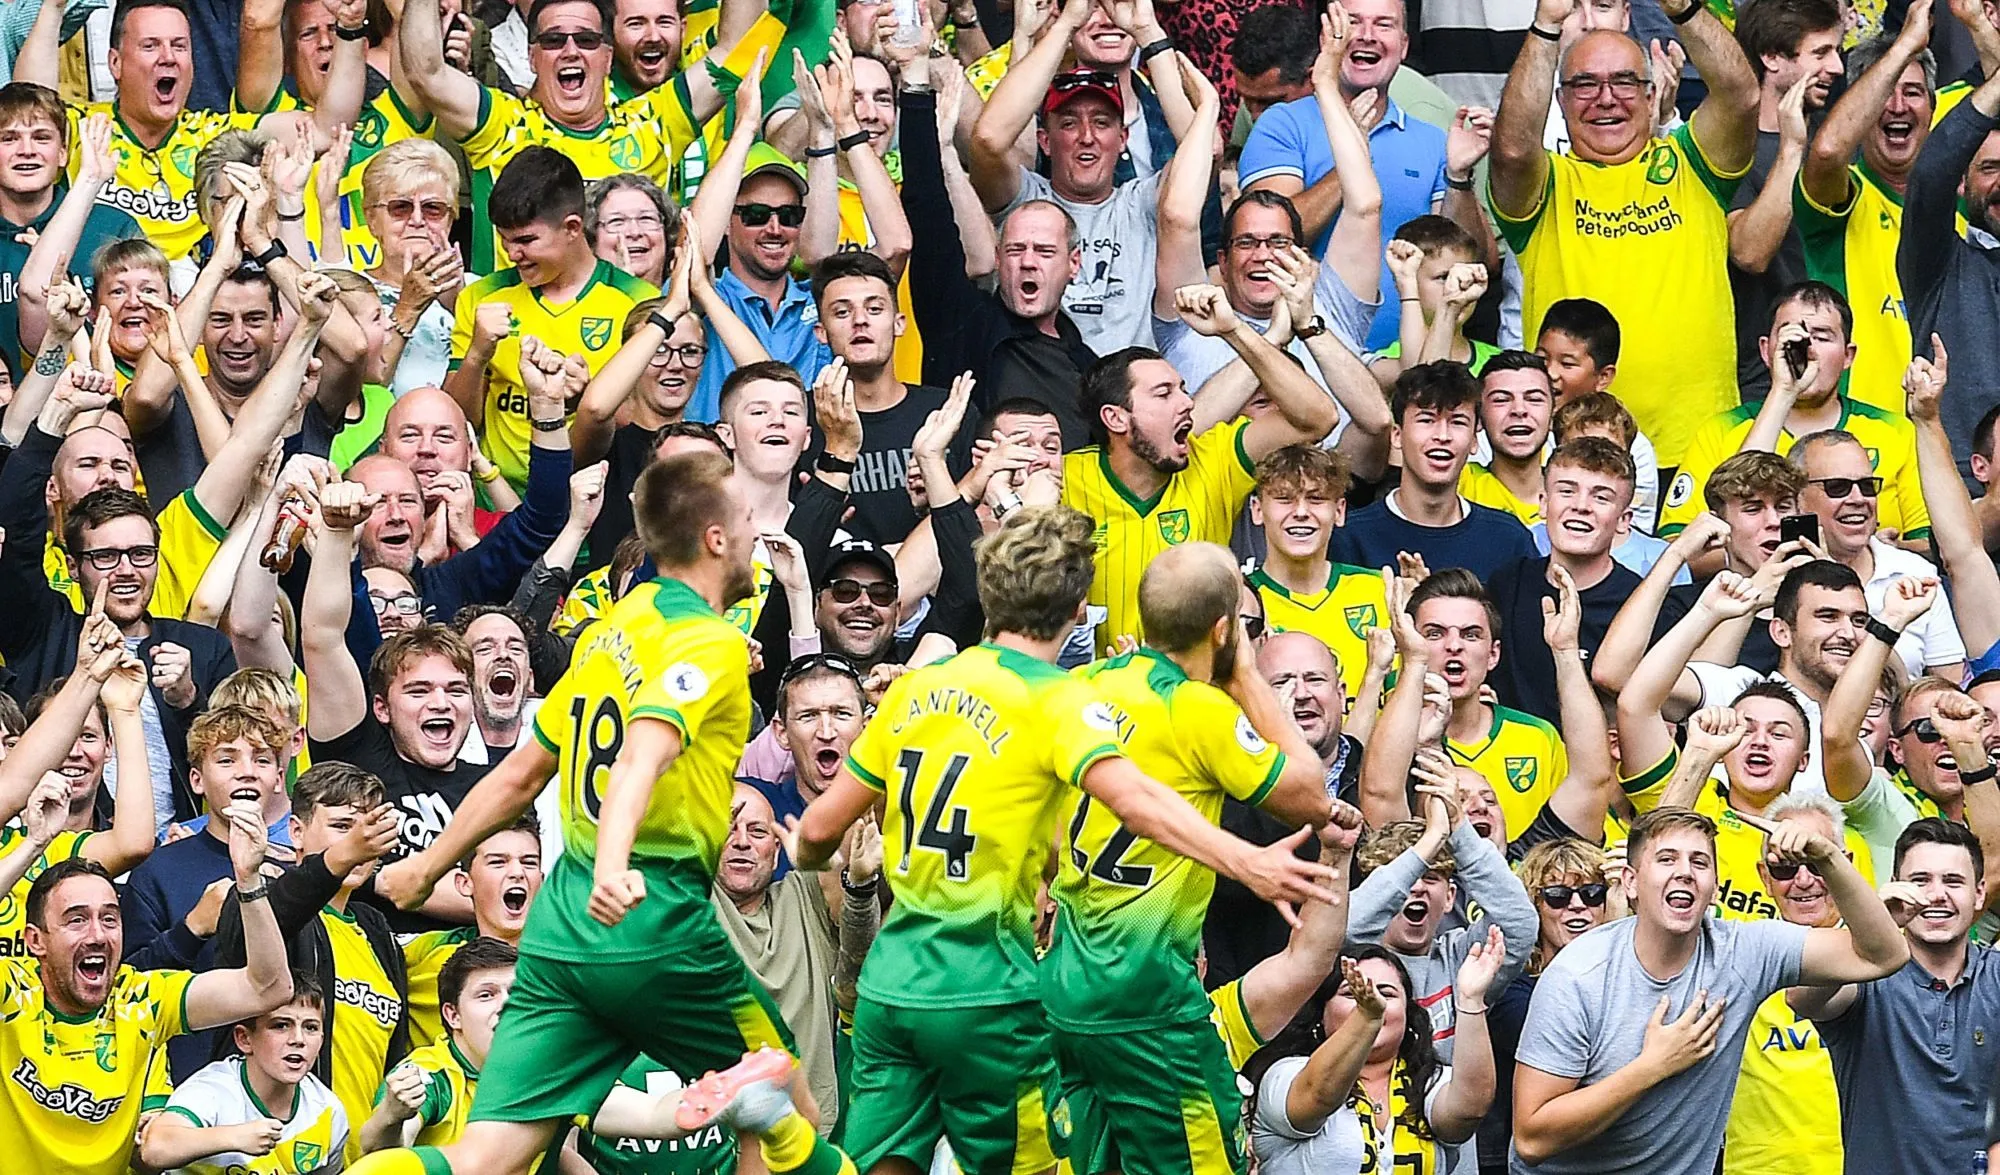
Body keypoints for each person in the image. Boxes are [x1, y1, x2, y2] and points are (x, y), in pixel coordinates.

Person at [352, 451, 860, 1175]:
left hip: (562, 928)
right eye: (749, 519)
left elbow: (520, 773)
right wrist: (616, 866)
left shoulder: (616, 630)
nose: (757, 532)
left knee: (484, 1158)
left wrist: (426, 867)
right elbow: (642, 755)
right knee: (785, 1102)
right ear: (716, 538)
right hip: (650, 917)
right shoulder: (708, 641)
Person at [792, 506, 1339, 1175]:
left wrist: (812, 855)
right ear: (1081, 609)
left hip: (930, 985)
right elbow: (1152, 801)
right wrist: (1246, 856)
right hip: (1039, 991)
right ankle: (780, 1130)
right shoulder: (1073, 700)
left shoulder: (945, 686)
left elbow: (819, 830)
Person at [1049, 542, 1339, 1175]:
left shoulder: (1084, 685)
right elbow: (1311, 794)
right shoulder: (1196, 709)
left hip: (1066, 988)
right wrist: (1247, 678)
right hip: (1149, 1001)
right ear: (1223, 629)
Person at [1508, 807, 1907, 1173]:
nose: (1685, 872)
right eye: (1667, 859)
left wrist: (1828, 858)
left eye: (1699, 862)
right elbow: (1532, 1139)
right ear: (1630, 882)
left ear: (1714, 887)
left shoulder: (1744, 952)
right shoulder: (1579, 975)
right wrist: (1652, 1067)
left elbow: (1882, 956)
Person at [1488, 0, 1760, 470]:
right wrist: (1546, 25)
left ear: (1652, 97)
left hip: (1697, 450)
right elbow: (1512, 150)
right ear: (1560, 102)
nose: (1606, 98)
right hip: (1575, 455)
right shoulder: (1545, 185)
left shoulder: (1693, 164)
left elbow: (1742, 96)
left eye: (1624, 82)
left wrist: (1683, 9)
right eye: (1585, 85)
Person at [0, 819, 296, 1175]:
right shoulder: (10, 990)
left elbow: (270, 988)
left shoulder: (141, 998)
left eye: (110, 919)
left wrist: (249, 883)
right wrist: (34, 844)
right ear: (35, 941)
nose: (98, 935)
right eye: (76, 920)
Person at [1061, 295, 1339, 652]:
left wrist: (1235, 331)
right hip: (1101, 681)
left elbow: (1319, 418)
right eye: (1164, 394)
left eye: (1183, 390)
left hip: (1200, 682)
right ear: (1115, 418)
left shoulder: (1214, 460)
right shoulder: (1064, 479)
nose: (1187, 403)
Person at [396, 0, 760, 270]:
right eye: (554, 40)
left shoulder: (655, 122)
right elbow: (426, 72)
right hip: (516, 339)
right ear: (532, 57)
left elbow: (736, 48)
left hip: (633, 333)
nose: (570, 51)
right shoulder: (501, 126)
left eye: (586, 40)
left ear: (607, 56)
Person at [1240, 0, 1495, 352]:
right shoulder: (1281, 124)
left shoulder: (1432, 138)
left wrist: (1458, 177)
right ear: (1327, 37)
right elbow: (1269, 242)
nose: (1367, 35)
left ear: (1403, 46)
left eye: (1384, 25)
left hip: (1412, 363)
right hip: (1306, 355)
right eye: (1353, 22)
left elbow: (1476, 262)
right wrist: (1353, 157)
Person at [967, 0, 1202, 356]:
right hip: (1041, 380)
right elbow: (988, 139)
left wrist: (1148, 33)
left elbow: (1199, 149)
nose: (1087, 136)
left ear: (1122, 139)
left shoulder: (1142, 202)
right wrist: (1066, 24)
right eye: (1069, 123)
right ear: (1045, 141)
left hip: (1129, 383)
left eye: (1102, 122)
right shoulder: (1025, 201)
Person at [896, 52, 1102, 448]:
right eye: (1016, 250)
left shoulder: (1087, 366)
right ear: (998, 257)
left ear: (1073, 264)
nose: (1028, 262)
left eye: (1044, 251)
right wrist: (916, 79)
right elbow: (927, 210)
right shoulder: (963, 321)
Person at [1792, 817, 2000, 1175]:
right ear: (1894, 886)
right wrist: (1872, 922)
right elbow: (1802, 998)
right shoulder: (1864, 977)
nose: (1936, 894)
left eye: (1953, 881)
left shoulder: (1994, 975)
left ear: (1979, 893)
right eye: (1920, 881)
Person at [447, 147, 658, 491]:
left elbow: (647, 422)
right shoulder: (482, 297)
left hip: (598, 499)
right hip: (496, 504)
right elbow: (459, 424)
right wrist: (476, 355)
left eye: (526, 240)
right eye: (504, 240)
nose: (513, 254)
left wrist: (586, 399)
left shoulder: (638, 301)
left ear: (572, 227)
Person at [1663, 283, 1932, 547]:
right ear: (1766, 350)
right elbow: (1675, 545)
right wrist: (1784, 391)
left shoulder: (1896, 431)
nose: (1807, 349)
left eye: (1822, 337)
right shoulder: (1720, 431)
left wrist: (1873, 550)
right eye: (1792, 337)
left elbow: (1933, 542)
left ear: (1848, 355)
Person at [711, 783, 881, 1134]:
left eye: (757, 831)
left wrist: (860, 884)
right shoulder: (693, 906)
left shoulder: (803, 896)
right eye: (728, 828)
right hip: (716, 1137)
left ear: (776, 852)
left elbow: (858, 949)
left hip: (810, 1130)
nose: (741, 841)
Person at [1248, 943, 1501, 1175]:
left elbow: (1469, 1109)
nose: (1373, 1000)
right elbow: (1318, 1095)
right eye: (1352, 993)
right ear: (1320, 1014)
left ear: (1408, 1014)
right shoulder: (1285, 1076)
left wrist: (1470, 1000)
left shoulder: (1429, 1079)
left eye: (1386, 994)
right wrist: (1366, 1018)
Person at [1795, 16, 1936, 413]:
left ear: (1933, 108)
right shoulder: (1843, 194)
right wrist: (1907, 44)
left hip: (1951, 434)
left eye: (1913, 92)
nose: (1897, 106)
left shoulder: (1960, 204)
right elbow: (1827, 152)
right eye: (1885, 91)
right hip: (1861, 434)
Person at [1896, 0, 2000, 485]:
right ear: (1963, 182)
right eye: (1990, 169)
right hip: (1961, 488)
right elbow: (1931, 173)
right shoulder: (1937, 262)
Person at [1487, 437, 1660, 726]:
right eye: (1567, 491)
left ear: (1624, 520)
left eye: (1601, 497)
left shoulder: (1641, 605)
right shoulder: (1506, 584)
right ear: (1544, 504)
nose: (1581, 506)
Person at [1723, 796, 1854, 1175]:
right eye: (1785, 867)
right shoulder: (1735, 956)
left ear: (1845, 864)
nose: (1803, 880)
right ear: (1764, 877)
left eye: (1818, 862)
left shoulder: (1889, 957)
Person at [1724, 0, 1844, 400]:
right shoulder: (1730, 149)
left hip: (1846, 370)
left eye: (1837, 51)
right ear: (1772, 56)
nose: (1836, 67)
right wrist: (1792, 150)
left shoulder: (1836, 143)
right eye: (1820, 53)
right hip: (1763, 377)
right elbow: (1750, 253)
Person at [1328, 361, 1539, 580]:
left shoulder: (1508, 540)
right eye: (1427, 420)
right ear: (1397, 436)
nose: (1442, 436)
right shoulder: (1349, 538)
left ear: (1474, 441)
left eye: (1457, 422)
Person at [1481, 838, 1615, 1175]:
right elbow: (1596, 1059)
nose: (1577, 905)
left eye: (1592, 894)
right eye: (1557, 896)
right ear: (1534, 907)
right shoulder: (1511, 989)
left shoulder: (1628, 976)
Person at [806, 250, 955, 546]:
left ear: (899, 324)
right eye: (842, 312)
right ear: (821, 332)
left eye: (874, 309)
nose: (860, 321)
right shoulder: (800, 419)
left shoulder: (945, 413)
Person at [140, 975, 346, 1174]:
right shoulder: (213, 1090)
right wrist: (235, 1137)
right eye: (281, 1026)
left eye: (310, 1027)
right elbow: (155, 1148)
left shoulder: (328, 1110)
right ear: (244, 1039)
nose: (298, 1039)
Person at [0, 92, 140, 383]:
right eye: (9, 138)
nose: (27, 150)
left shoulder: (112, 227)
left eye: (41, 137)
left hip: (101, 395)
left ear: (63, 153)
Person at [1246, 445, 1392, 703]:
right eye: (1284, 499)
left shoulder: (1379, 589)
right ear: (1257, 510)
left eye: (1316, 499)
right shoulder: (1243, 604)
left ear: (1339, 511)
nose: (1301, 512)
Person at [361, 936, 517, 1152]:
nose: (507, 1004)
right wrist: (391, 1116)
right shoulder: (430, 1073)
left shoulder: (545, 1068)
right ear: (453, 1016)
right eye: (486, 995)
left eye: (517, 992)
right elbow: (380, 1150)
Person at [401, 815, 543, 1047]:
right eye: (498, 862)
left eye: (529, 863)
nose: (517, 872)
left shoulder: (569, 963)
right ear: (465, 883)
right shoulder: (424, 954)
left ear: (542, 880)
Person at [1533, 298, 1660, 534]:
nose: (1550, 372)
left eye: (1567, 364)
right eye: (1542, 359)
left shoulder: (1635, 448)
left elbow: (1633, 533)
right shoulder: (1518, 430)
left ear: (1603, 377)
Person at [1372, 216, 1501, 386]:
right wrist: (1407, 284)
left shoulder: (1499, 362)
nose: (1458, 285)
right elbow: (1421, 380)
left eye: (1467, 275)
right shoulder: (1388, 361)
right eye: (1444, 277)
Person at [1459, 350, 1557, 526]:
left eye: (1534, 399)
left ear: (1552, 415)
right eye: (1501, 400)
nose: (1519, 410)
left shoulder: (1576, 496)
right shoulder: (1459, 483)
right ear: (1479, 417)